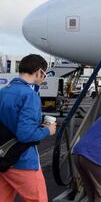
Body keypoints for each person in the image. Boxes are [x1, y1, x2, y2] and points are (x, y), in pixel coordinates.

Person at [0, 54, 56, 202]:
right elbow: (25, 135)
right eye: (44, 73)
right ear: (39, 72)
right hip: (22, 160)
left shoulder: (3, 91)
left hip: (3, 158)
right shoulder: (30, 95)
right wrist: (47, 130)